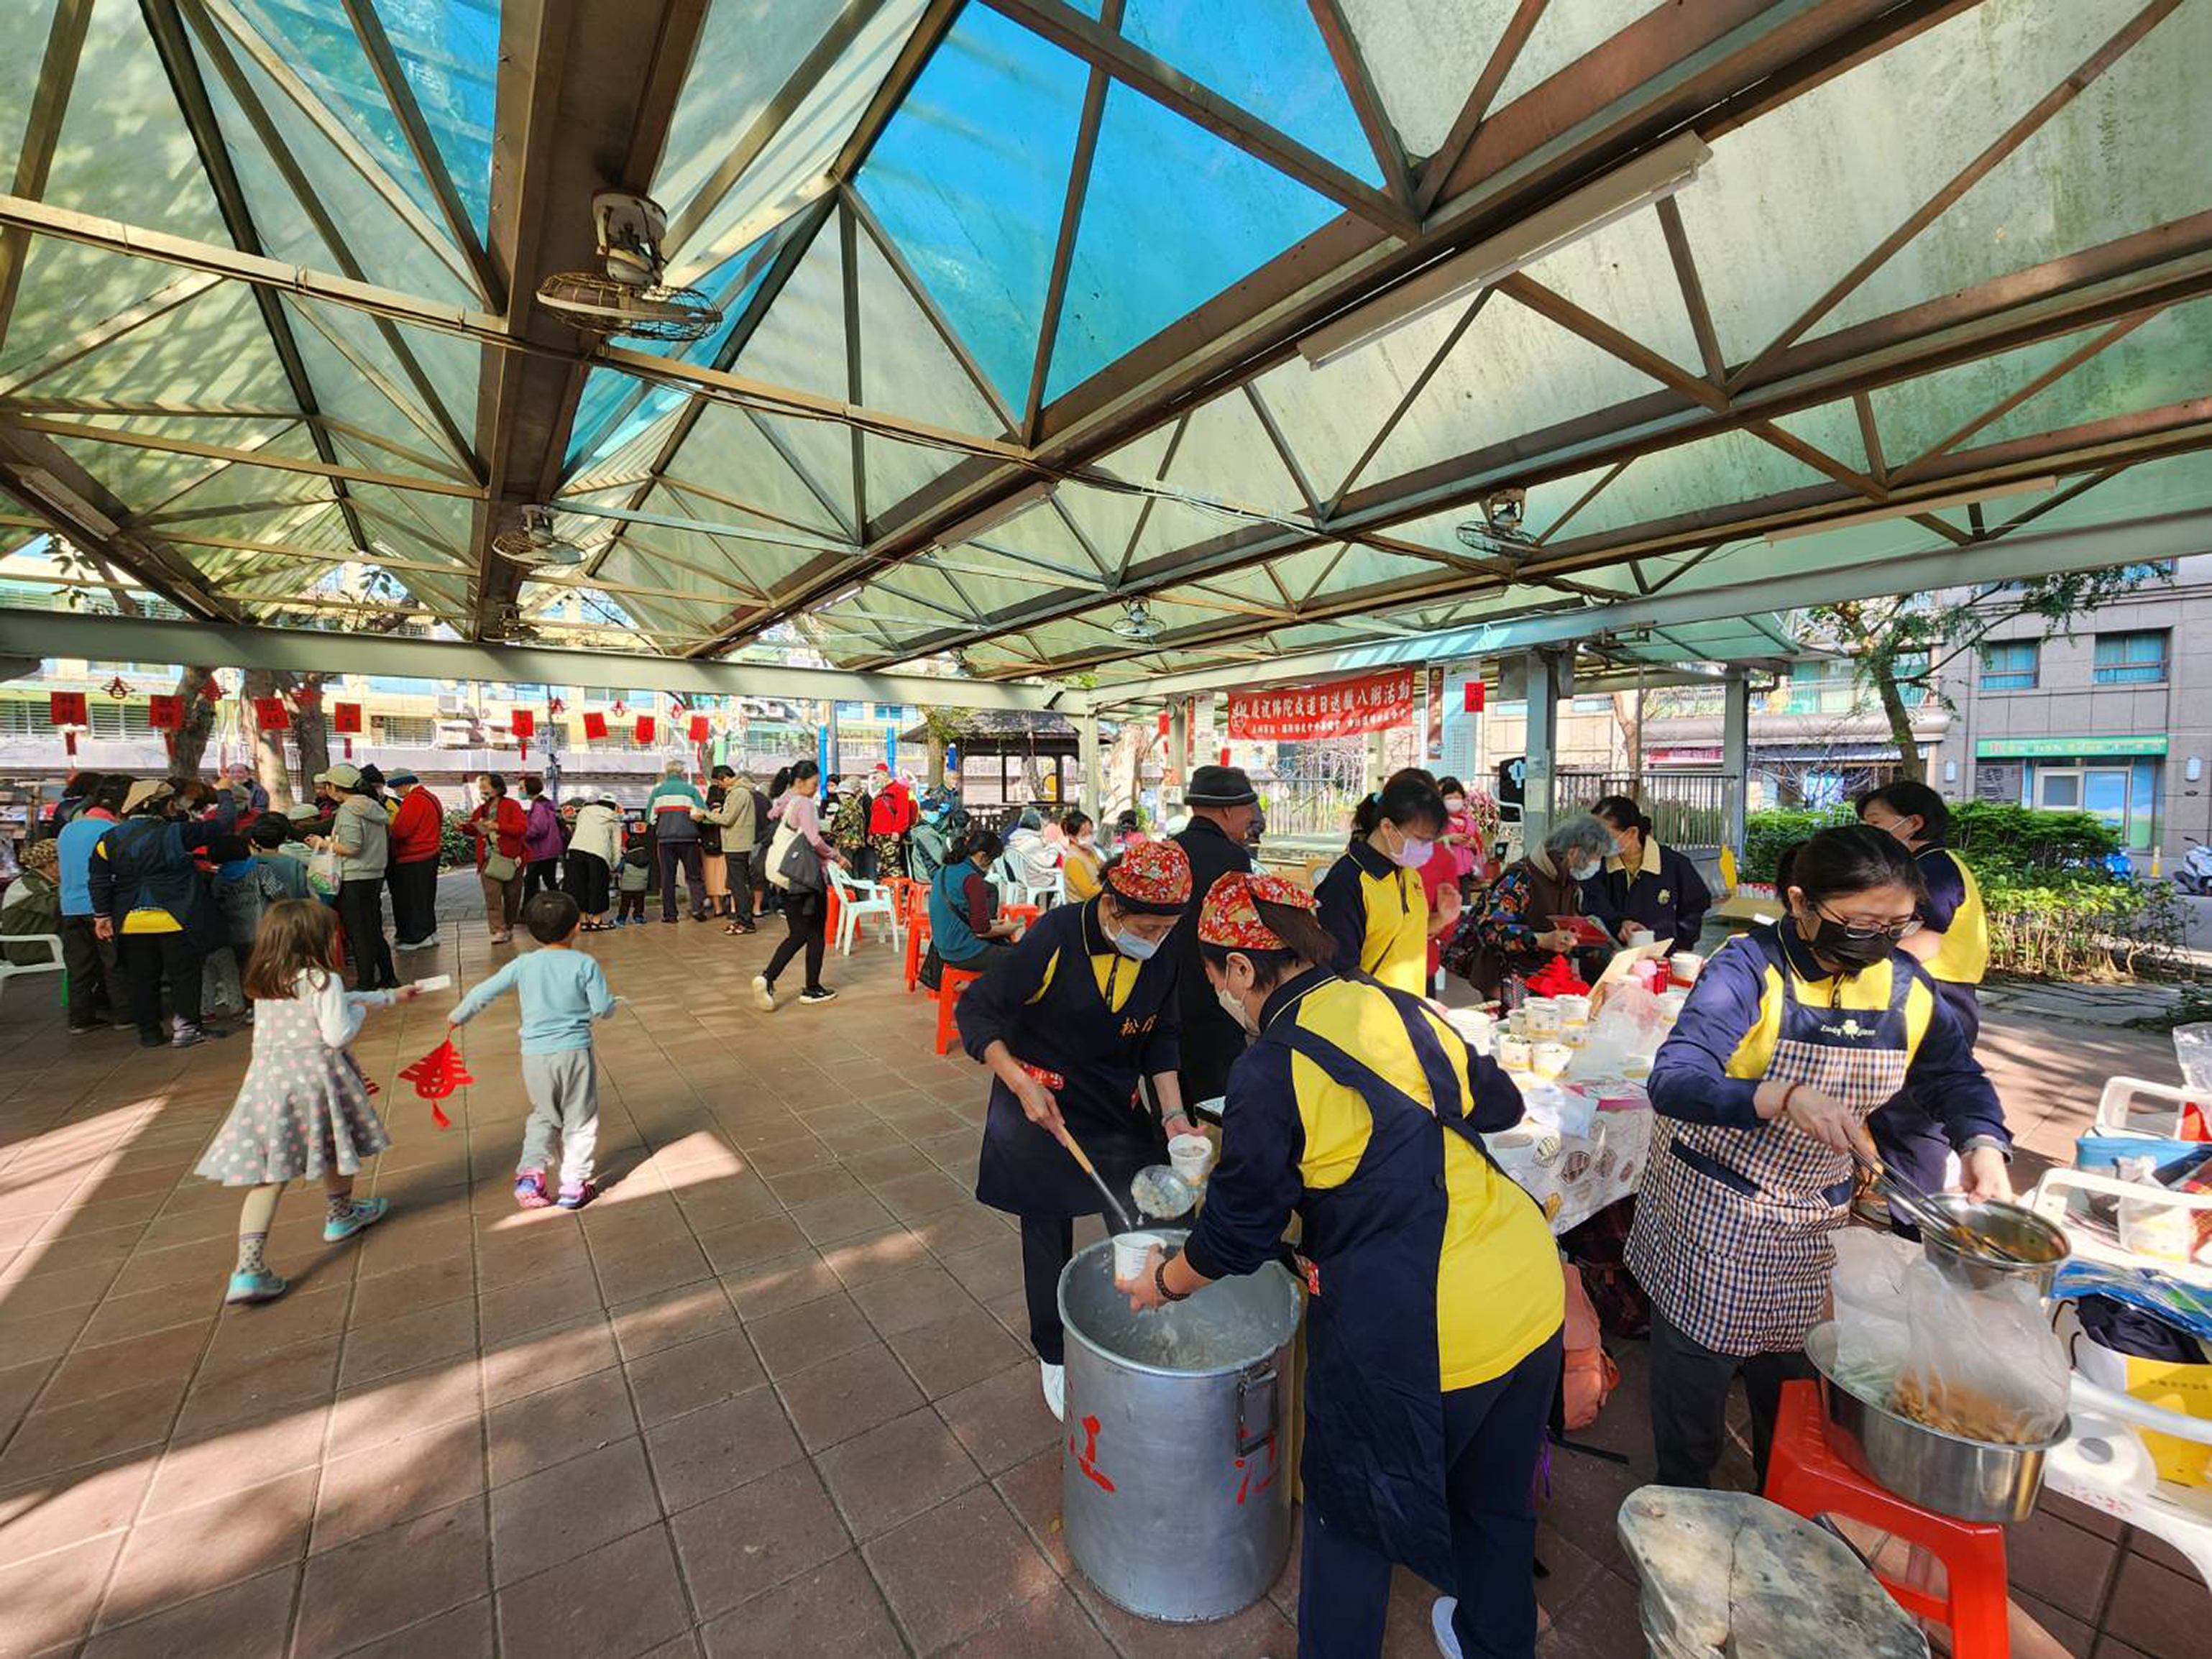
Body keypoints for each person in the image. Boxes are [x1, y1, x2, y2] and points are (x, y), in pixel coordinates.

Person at [1118, 872, 1563, 1658]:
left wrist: (1159, 1284)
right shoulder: (1392, 1005)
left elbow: (1233, 1235)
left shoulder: (1268, 1067)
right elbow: (1494, 1104)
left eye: (1217, 972)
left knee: (1349, 1523)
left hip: (1426, 1330)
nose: (1219, 989)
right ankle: (1495, 1644)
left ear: (1244, 970)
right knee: (1494, 1511)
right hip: (1527, 1295)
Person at [1628, 824, 2014, 1490]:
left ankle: (1781, 1491)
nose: (1881, 940)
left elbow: (1952, 1075)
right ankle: (1682, 1497)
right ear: (1801, 902)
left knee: (1791, 1366)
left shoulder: (1902, 985)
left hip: (1813, 1208)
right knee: (1697, 1366)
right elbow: (1675, 1079)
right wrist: (1778, 1096)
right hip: (1717, 1203)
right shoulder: (1747, 968)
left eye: (1898, 924)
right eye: (1861, 922)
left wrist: (1981, 1141)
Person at [955, 839, 1198, 1421]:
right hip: (1039, 1104)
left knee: (1146, 1215)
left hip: (1113, 1107)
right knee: (1046, 1232)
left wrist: (1172, 1117)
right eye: (1146, 927)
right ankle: (1055, 1354)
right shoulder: (1056, 937)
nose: (1157, 940)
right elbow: (978, 1012)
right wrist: (1019, 1083)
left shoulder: (1162, 949)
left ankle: (1150, 1327)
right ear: (1113, 907)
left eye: (1167, 930)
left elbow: (1160, 1035)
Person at [193, 900, 414, 1303]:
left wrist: (384, 998)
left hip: (269, 1085)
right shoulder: (324, 980)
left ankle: (248, 1267)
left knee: (270, 1175)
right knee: (336, 1148)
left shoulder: (267, 981)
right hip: (318, 1083)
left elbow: (336, 1004)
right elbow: (337, 1033)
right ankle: (340, 1214)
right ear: (313, 938)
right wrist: (363, 1013)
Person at [1856, 779, 1996, 1229]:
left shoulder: (1933, 867)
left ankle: (1915, 1225)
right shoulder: (1923, 864)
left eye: (1876, 823)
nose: (1869, 831)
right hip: (1925, 994)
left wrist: (1855, 964)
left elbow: (1926, 943)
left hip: (1937, 998)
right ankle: (1908, 1205)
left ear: (1912, 822)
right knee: (1900, 1112)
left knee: (1911, 1118)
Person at [449, 890, 618, 1210]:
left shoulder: (523, 964)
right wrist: (611, 1007)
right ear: (577, 927)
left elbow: (485, 991)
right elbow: (601, 1008)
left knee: (544, 1115)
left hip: (535, 1056)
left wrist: (458, 1016)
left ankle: (530, 1174)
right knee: (579, 1117)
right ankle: (573, 1184)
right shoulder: (585, 964)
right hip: (574, 1053)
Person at [88, 778, 233, 1048]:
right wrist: (224, 792)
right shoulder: (178, 833)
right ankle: (187, 1029)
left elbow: (99, 879)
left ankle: (149, 1033)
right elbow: (223, 824)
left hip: (131, 921)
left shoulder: (107, 840)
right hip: (176, 917)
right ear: (167, 805)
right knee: (184, 975)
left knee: (142, 979)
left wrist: (102, 916)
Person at [1318, 770, 1460, 998]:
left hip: (1408, 1010)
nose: (1427, 850)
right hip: (1365, 1017)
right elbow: (1338, 968)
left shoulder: (1408, 873)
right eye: (1421, 840)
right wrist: (1401, 1005)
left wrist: (1443, 917)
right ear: (1387, 827)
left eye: (1431, 841)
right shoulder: (1347, 881)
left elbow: (1408, 933)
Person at [1167, 765, 1258, 1110]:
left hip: (1164, 1000)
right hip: (1214, 1001)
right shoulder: (1233, 859)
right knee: (1218, 1105)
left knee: (1172, 1102)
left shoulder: (1170, 852)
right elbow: (1240, 932)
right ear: (1227, 810)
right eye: (1248, 808)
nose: (1251, 817)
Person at [1447, 814, 1612, 998]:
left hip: (1548, 981)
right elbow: (1491, 929)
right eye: (1594, 858)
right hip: (1508, 983)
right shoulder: (1521, 877)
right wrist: (1541, 939)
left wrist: (1597, 945)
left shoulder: (1568, 881)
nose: (1595, 865)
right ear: (1573, 852)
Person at [757, 759, 843, 1008]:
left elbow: (773, 816)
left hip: (784, 877)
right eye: (814, 784)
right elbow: (814, 840)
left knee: (797, 934)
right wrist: (835, 855)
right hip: (805, 879)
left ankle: (768, 978)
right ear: (800, 782)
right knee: (814, 934)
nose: (817, 789)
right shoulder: (804, 803)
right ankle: (811, 988)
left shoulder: (784, 800)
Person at [1581, 794, 1710, 956]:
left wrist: (1683, 945)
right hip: (1607, 960)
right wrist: (1619, 924)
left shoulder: (1673, 864)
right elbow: (1593, 905)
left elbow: (1696, 904)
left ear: (1632, 833)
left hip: (1658, 960)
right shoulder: (1595, 865)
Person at [307, 764, 398, 993]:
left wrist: (322, 843)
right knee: (373, 928)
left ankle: (365, 982)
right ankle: (388, 976)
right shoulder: (373, 806)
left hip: (354, 877)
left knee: (359, 932)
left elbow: (350, 847)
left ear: (333, 787)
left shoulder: (349, 809)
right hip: (374, 874)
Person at [55, 773, 129, 1032]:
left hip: (69, 906)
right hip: (102, 907)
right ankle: (124, 1015)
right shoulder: (110, 831)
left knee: (79, 966)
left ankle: (80, 1019)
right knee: (113, 962)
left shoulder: (68, 829)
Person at [922, 828, 1022, 988]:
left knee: (1006, 946)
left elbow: (966, 918)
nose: (992, 865)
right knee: (1023, 958)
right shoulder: (972, 879)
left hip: (943, 947)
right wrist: (1011, 928)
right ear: (982, 856)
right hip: (962, 951)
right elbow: (982, 931)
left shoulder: (946, 869)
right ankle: (1008, 1008)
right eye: (993, 859)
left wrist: (996, 925)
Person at [465, 773, 527, 945]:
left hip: (511, 858)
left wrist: (498, 826)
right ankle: (498, 929)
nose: (482, 791)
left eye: (485, 787)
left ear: (497, 788)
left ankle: (508, 926)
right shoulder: (481, 809)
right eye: (481, 788)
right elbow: (474, 828)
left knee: (512, 896)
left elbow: (521, 828)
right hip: (488, 859)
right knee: (492, 897)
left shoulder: (512, 805)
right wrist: (464, 828)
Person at [385, 772, 443, 950]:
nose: (395, 792)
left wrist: (390, 829)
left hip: (414, 856)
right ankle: (430, 933)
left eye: (396, 788)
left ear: (404, 785)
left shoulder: (414, 800)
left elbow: (402, 831)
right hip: (430, 853)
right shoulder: (431, 797)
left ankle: (417, 938)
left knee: (413, 899)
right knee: (425, 898)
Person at [646, 758, 709, 922]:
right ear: (681, 774)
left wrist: (663, 826)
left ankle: (670, 915)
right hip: (689, 839)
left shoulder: (658, 792)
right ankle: (697, 910)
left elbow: (650, 818)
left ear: (667, 773)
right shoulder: (691, 790)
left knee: (668, 878)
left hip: (665, 840)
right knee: (694, 876)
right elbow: (703, 813)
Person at [697, 766, 756, 934]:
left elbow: (727, 819)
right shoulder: (741, 792)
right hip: (738, 843)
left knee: (738, 885)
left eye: (718, 782)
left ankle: (745, 922)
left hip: (737, 844)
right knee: (737, 884)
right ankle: (741, 920)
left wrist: (705, 814)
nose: (719, 786)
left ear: (725, 778)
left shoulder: (738, 793)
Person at [566, 792, 623, 932]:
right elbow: (616, 845)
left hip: (576, 850)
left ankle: (583, 921)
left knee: (579, 886)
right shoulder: (614, 819)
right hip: (598, 853)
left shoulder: (584, 812)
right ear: (614, 806)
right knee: (598, 887)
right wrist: (615, 865)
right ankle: (597, 921)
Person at [1, 838, 61, 966]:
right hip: (28, 949)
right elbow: (58, 908)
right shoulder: (28, 885)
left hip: (38, 944)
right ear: (52, 864)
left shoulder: (43, 881)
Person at [868, 765, 915, 881]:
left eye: (877, 775)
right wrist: (871, 832)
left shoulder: (900, 790)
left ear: (884, 774)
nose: (875, 779)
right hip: (879, 834)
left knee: (892, 865)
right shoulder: (881, 792)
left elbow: (903, 812)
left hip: (890, 834)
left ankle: (896, 894)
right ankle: (885, 893)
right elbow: (874, 814)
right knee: (881, 866)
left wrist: (898, 831)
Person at [520, 775, 564, 899]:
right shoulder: (545, 804)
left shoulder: (538, 807)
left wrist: (522, 835)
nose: (520, 791)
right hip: (550, 850)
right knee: (549, 881)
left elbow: (538, 829)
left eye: (522, 788)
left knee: (530, 882)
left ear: (530, 789)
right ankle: (560, 906)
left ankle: (527, 911)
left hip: (540, 852)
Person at [249, 818, 313, 901]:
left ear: (253, 841)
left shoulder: (249, 863)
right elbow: (302, 893)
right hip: (289, 909)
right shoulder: (294, 863)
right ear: (285, 839)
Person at [1060, 811, 1103, 901]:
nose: (1089, 837)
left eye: (1091, 833)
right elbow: (1089, 893)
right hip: (1083, 907)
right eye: (1084, 835)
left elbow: (1102, 870)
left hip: (1097, 900)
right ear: (1072, 837)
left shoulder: (1090, 851)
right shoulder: (1073, 860)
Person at [616, 843, 651, 924]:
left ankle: (621, 920)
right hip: (641, 886)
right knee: (639, 903)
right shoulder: (646, 857)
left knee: (625, 904)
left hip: (627, 887)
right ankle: (638, 918)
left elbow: (619, 869)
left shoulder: (626, 858)